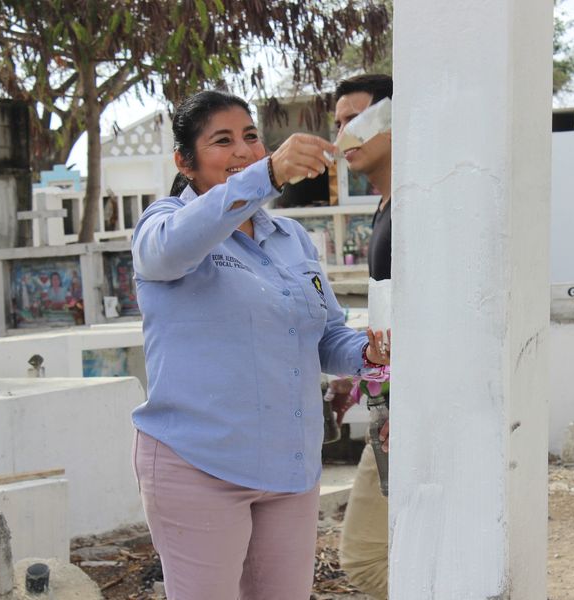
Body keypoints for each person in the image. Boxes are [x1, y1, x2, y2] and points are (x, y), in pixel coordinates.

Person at [130, 89, 389, 600]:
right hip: (200, 464)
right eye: (222, 140)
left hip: (289, 468)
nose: (244, 150)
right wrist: (265, 175)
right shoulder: (164, 226)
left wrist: (366, 353)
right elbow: (169, 252)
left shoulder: (290, 238)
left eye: (250, 136)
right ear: (184, 161)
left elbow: (325, 336)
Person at [332, 73, 393, 600]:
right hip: (391, 405)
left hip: (408, 412)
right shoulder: (386, 206)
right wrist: (361, 383)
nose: (343, 135)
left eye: (355, 119)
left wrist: (397, 403)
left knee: (366, 559)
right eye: (338, 123)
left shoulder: (415, 206)